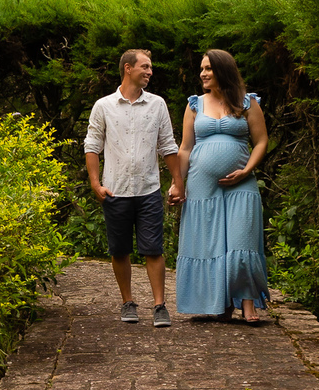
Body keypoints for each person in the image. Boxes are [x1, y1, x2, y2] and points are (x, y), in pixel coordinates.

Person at [168, 49, 270, 324]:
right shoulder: (194, 105)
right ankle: (218, 303)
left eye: (209, 68)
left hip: (242, 182)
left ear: (223, 70)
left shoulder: (247, 103)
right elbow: (186, 148)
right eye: (202, 68)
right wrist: (178, 184)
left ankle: (247, 303)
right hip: (202, 184)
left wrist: (247, 170)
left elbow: (261, 141)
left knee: (242, 242)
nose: (203, 73)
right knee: (207, 244)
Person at [85, 49, 182, 327]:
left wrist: (177, 181)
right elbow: (92, 146)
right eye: (145, 67)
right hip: (115, 189)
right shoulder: (103, 106)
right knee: (119, 250)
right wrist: (95, 184)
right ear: (128, 68)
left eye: (150, 68)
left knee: (154, 249)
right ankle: (128, 302)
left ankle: (159, 306)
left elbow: (168, 145)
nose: (150, 72)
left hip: (148, 189)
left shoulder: (157, 105)